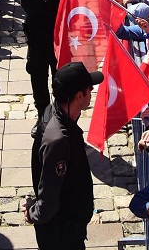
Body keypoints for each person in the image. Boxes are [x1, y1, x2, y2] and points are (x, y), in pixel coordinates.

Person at [26, 61, 101, 250]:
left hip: (66, 227)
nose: (91, 92)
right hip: (61, 233)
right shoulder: (58, 140)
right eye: (89, 89)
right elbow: (49, 193)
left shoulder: (54, 111)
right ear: (79, 95)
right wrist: (33, 213)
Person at [20, 0, 67, 120]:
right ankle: (42, 117)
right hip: (35, 40)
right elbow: (25, 3)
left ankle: (60, 118)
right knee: (37, 81)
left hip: (54, 41)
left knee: (59, 82)